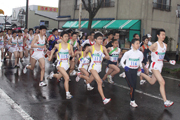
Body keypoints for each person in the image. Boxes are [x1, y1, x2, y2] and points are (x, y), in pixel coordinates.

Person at [140, 29, 175, 107]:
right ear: (158, 35)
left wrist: (170, 60)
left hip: (160, 65)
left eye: (164, 35)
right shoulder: (155, 45)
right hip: (154, 65)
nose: (163, 36)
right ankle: (165, 101)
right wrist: (146, 62)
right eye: (162, 34)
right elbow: (145, 51)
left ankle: (140, 73)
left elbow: (164, 54)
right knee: (162, 82)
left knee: (152, 81)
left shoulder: (165, 45)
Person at [83, 33, 111, 105]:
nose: (100, 40)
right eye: (99, 39)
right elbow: (85, 51)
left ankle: (80, 76)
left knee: (89, 80)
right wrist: (84, 59)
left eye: (101, 39)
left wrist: (104, 56)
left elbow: (108, 57)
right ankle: (104, 99)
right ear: (95, 39)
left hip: (99, 67)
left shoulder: (103, 48)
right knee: (99, 82)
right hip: (93, 67)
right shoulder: (91, 47)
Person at [47, 31, 74, 99]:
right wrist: (50, 57)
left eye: (67, 36)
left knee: (59, 76)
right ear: (61, 37)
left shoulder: (70, 45)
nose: (66, 38)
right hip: (60, 64)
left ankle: (52, 75)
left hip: (67, 64)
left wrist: (71, 53)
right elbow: (53, 50)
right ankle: (67, 93)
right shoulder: (58, 45)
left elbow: (73, 54)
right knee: (67, 77)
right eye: (65, 36)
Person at [120, 38, 144, 108]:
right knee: (132, 86)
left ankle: (125, 76)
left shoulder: (140, 53)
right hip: (128, 70)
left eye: (139, 43)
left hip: (135, 71)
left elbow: (140, 61)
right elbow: (122, 61)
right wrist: (125, 67)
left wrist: (141, 68)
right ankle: (132, 101)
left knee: (133, 86)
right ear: (132, 44)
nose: (138, 45)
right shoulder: (128, 53)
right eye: (136, 43)